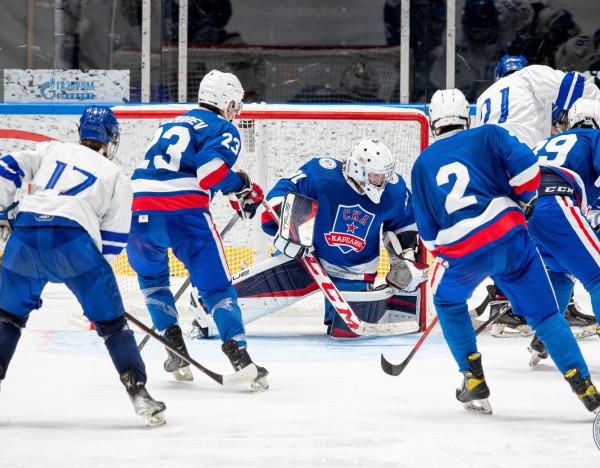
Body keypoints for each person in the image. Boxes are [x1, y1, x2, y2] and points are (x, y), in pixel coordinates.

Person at [411, 88, 600, 414]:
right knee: (545, 315)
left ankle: (473, 379)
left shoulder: (422, 163)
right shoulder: (490, 134)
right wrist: (525, 201)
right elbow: (529, 172)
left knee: (445, 299)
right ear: (466, 118)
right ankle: (586, 389)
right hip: (512, 238)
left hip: (462, 251)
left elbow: (428, 236)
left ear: (432, 123)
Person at [0, 106, 166, 427]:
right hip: (76, 243)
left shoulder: (52, 149)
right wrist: (98, 296)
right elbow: (114, 240)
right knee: (113, 325)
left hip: (26, 236)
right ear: (110, 139)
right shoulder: (117, 176)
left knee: (8, 315)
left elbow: (4, 167)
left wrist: (0, 212)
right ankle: (140, 394)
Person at [125, 69, 269, 392]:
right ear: (227, 103)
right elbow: (209, 173)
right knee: (217, 288)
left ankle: (174, 347)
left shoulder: (170, 125)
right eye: (236, 105)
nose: (237, 112)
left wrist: (235, 191)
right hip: (183, 215)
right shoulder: (224, 128)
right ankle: (239, 356)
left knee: (151, 278)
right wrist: (242, 183)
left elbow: (177, 169)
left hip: (137, 213)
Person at [475, 54, 600, 335]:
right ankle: (551, 308)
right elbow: (578, 88)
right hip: (527, 163)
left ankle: (505, 299)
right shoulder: (530, 76)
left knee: (520, 237)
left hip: (489, 174)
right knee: (565, 239)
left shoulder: (484, 97)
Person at [259, 137, 428, 338]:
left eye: (385, 176)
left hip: (354, 269)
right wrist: (287, 222)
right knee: (253, 296)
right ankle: (220, 307)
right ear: (358, 170)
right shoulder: (321, 175)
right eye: (376, 176)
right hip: (304, 257)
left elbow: (405, 221)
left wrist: (406, 255)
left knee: (346, 333)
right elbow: (283, 190)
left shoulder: (394, 191)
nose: (382, 182)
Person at [527, 98, 600, 364]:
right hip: (556, 203)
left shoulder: (541, 143)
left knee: (560, 270)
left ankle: (545, 337)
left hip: (522, 214)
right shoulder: (594, 137)